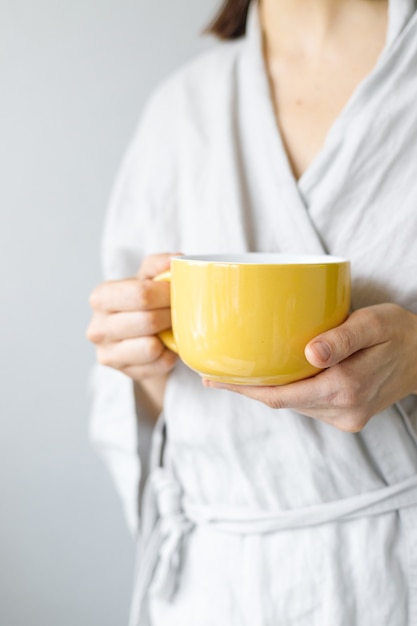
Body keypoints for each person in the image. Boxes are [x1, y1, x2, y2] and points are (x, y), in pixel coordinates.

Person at [87, 0, 417, 623]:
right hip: (221, 587)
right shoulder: (181, 109)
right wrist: (144, 353)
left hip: (395, 580)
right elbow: (150, 420)